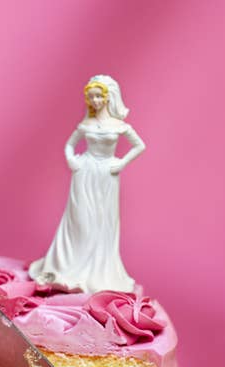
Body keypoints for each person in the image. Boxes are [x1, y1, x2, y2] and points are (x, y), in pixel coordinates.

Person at [29, 75, 145, 294]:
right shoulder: (86, 124)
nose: (94, 101)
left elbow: (139, 145)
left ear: (107, 97)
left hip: (107, 176)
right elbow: (69, 145)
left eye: (98, 96)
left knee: (101, 222)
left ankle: (95, 271)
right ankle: (69, 265)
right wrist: (72, 160)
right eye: (91, 97)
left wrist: (121, 163)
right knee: (80, 220)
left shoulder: (119, 126)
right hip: (85, 173)